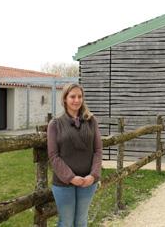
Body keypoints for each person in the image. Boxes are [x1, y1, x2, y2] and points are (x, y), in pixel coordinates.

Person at [47, 83, 103, 227]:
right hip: (63, 183)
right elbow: (53, 156)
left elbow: (98, 150)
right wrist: (71, 177)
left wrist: (93, 175)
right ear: (65, 99)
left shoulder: (91, 121)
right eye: (72, 96)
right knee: (66, 222)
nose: (76, 100)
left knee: (81, 221)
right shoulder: (55, 124)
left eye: (79, 96)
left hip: (88, 182)